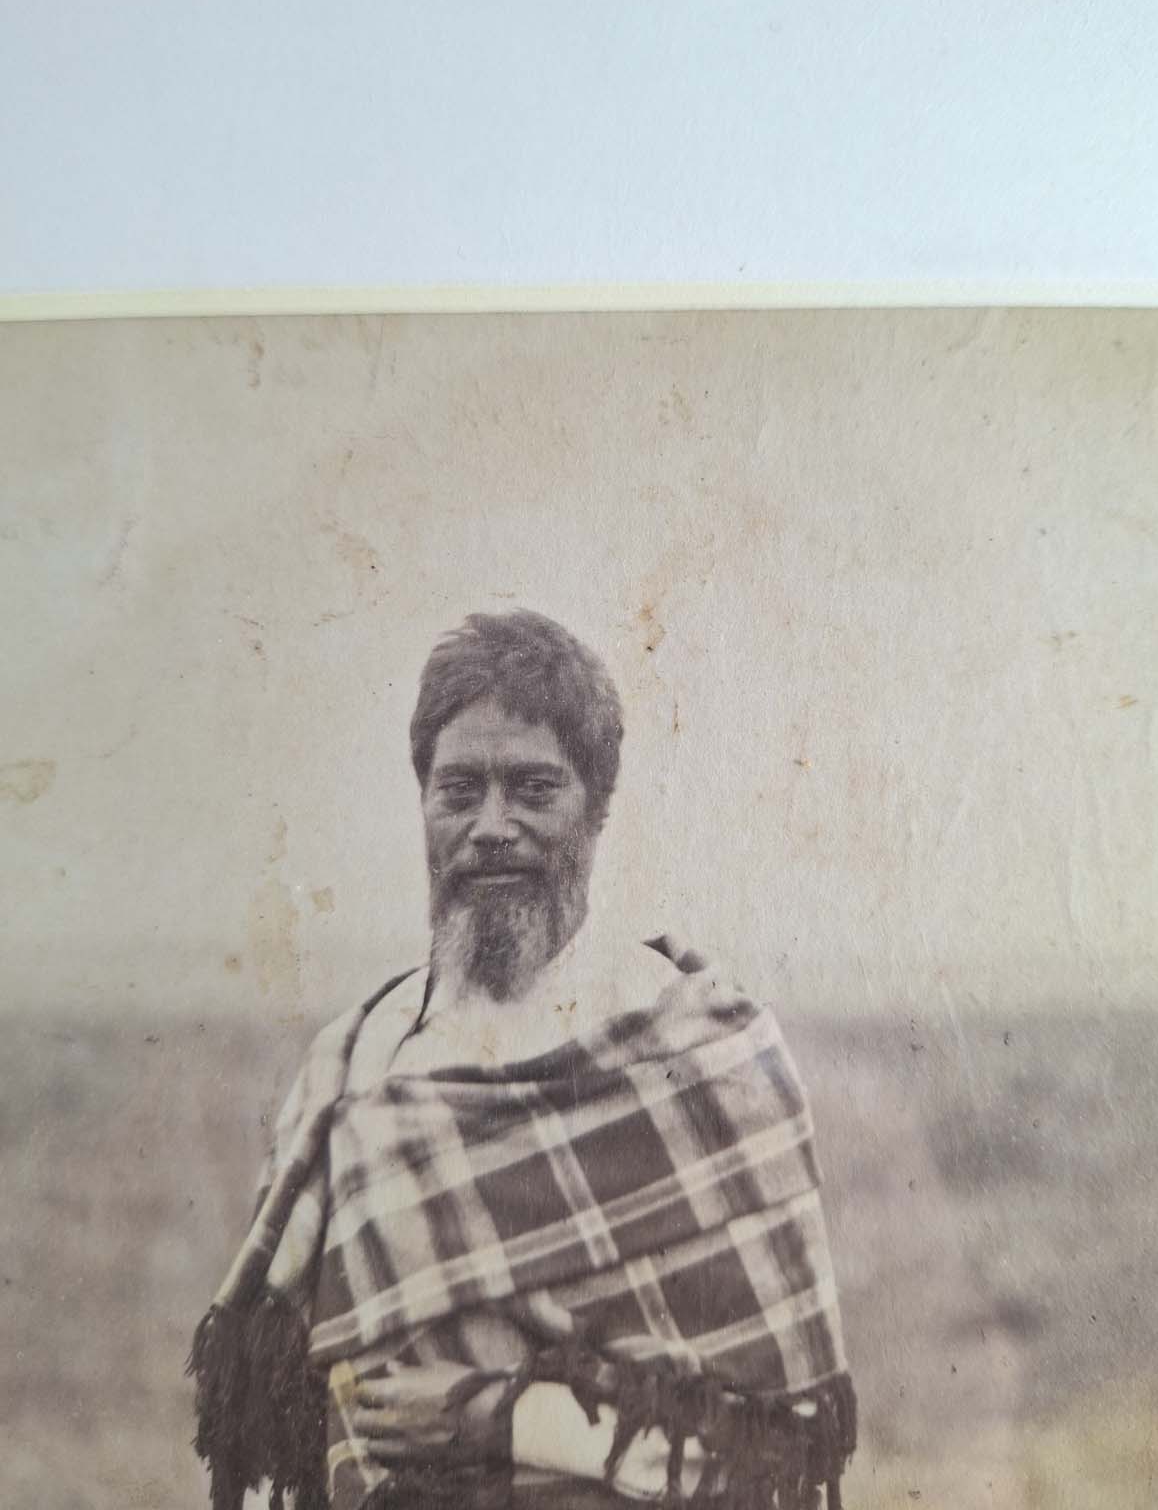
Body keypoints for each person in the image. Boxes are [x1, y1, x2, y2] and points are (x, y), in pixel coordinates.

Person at [191, 611, 856, 1510]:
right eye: (459, 790)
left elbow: (769, 1442)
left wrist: (498, 1420)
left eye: (534, 790)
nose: (492, 826)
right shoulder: (350, 1066)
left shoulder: (700, 1050)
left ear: (598, 807)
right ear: (421, 801)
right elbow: (292, 1424)